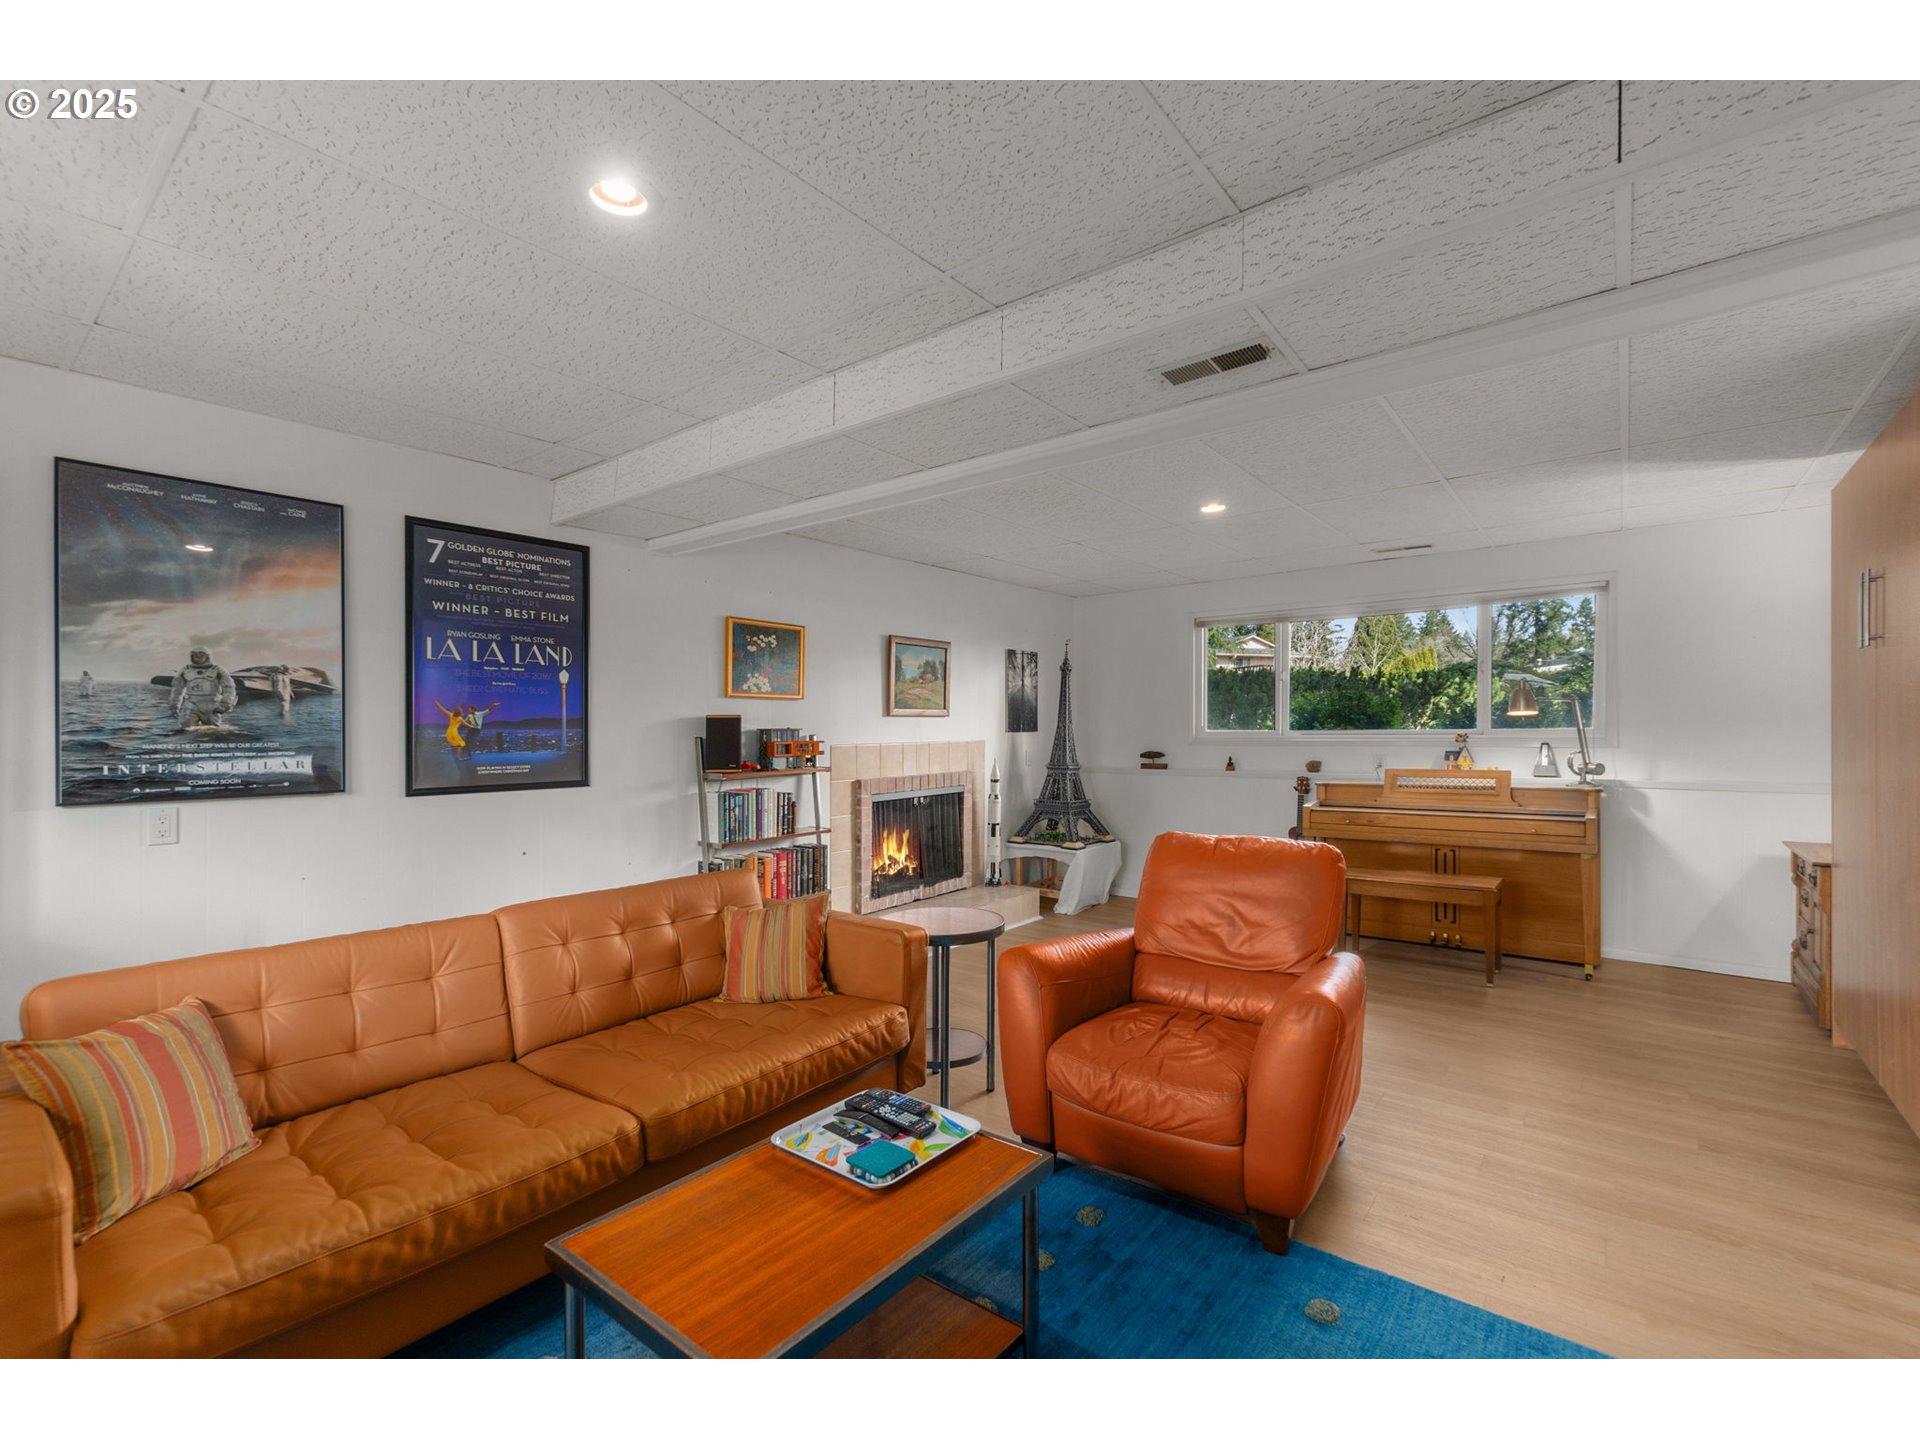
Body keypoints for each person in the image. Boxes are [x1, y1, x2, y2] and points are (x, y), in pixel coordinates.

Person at [170, 647, 237, 729]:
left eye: (201, 655)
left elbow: (229, 688)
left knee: (212, 730)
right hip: (191, 704)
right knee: (186, 729)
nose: (197, 657)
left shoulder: (218, 670)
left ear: (208, 657)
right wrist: (174, 706)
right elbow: (177, 689)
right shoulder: (185, 670)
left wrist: (225, 704)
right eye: (195, 655)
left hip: (212, 705)